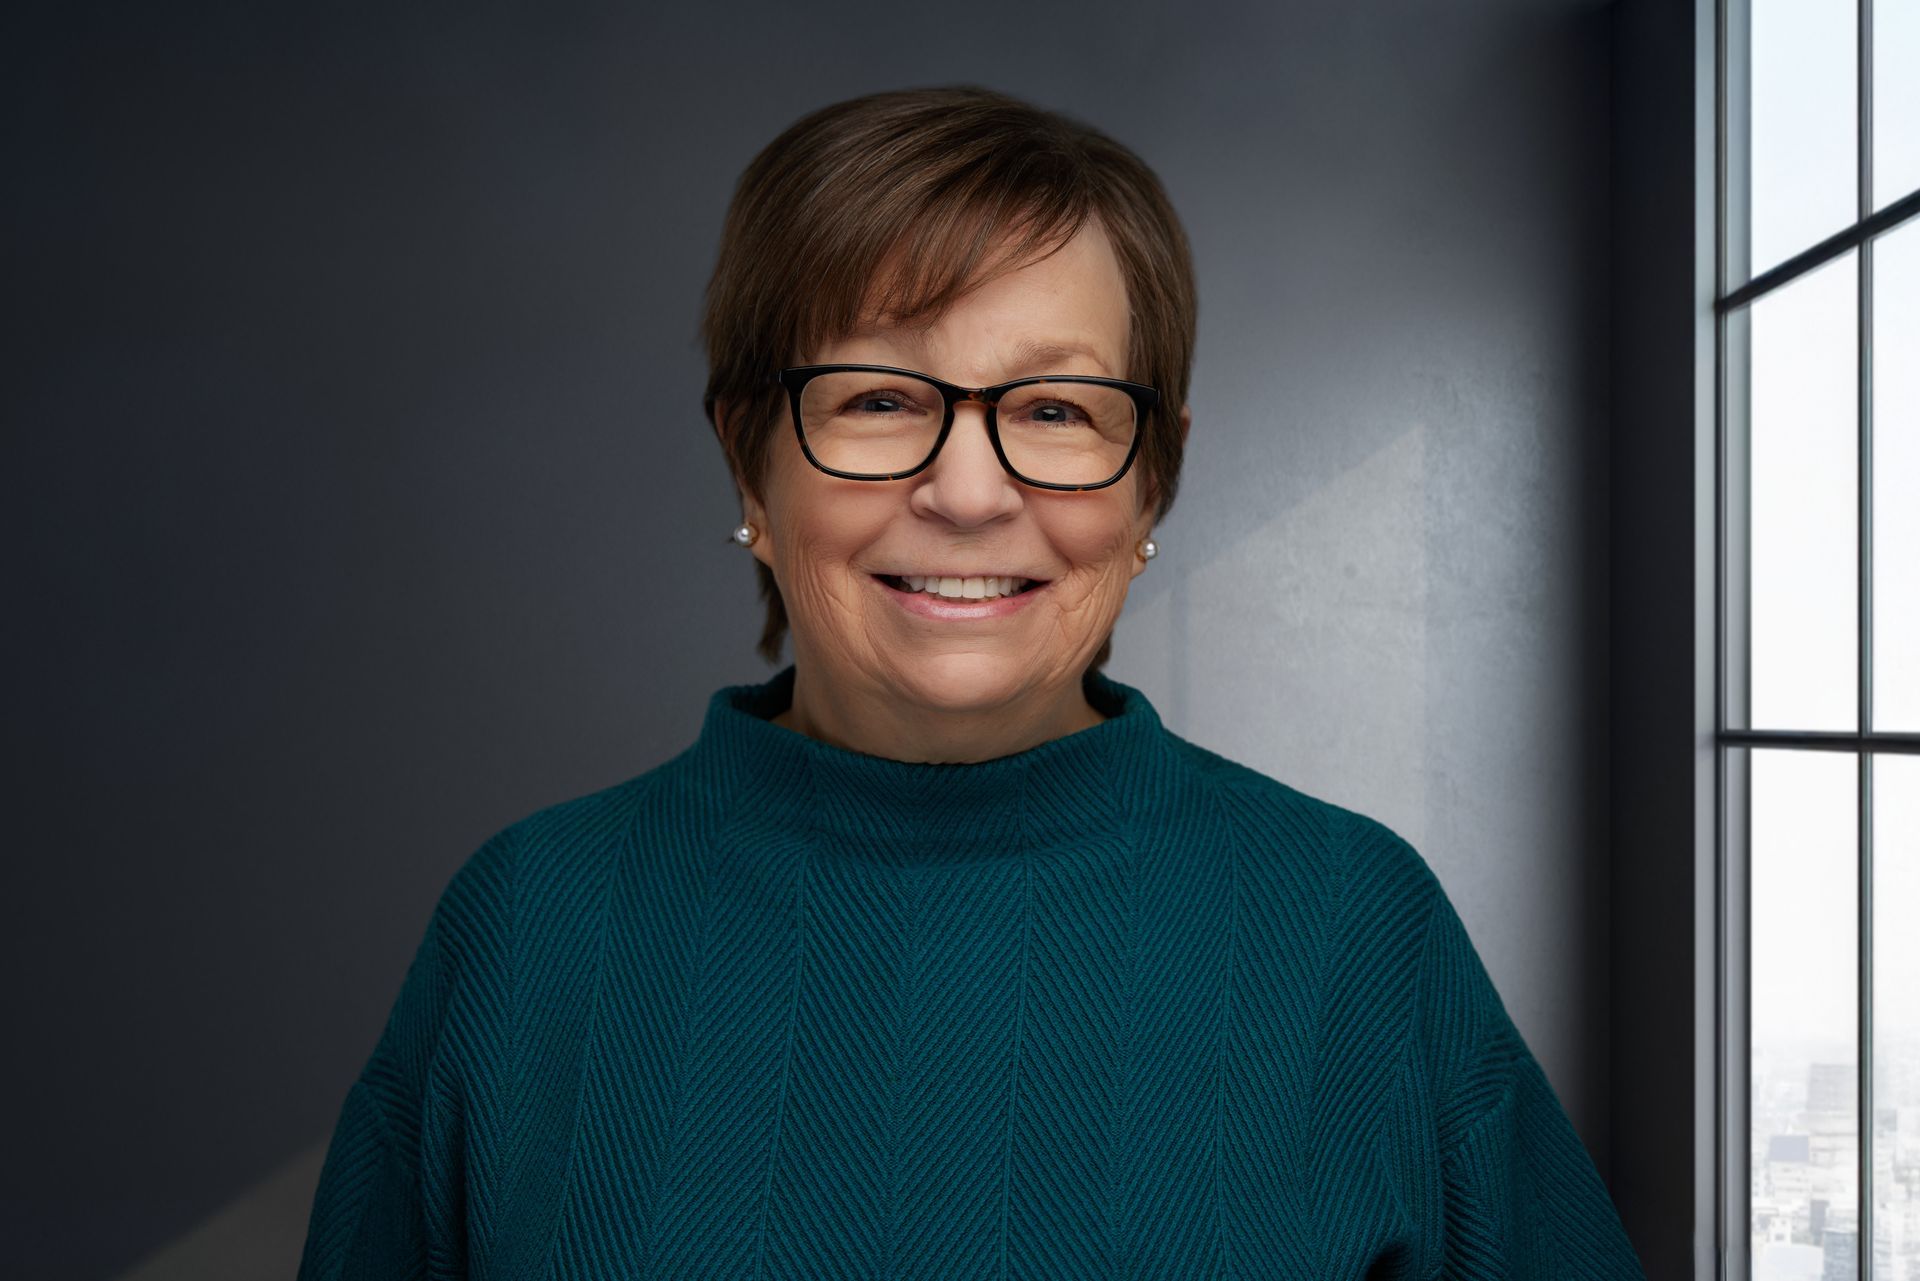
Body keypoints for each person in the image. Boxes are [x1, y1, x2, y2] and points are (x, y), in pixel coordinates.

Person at [298, 85, 1646, 1279]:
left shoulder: (1355, 929)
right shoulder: (529, 928)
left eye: (1054, 410)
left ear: (1153, 477)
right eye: (880, 398)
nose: (966, 492)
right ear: (747, 456)